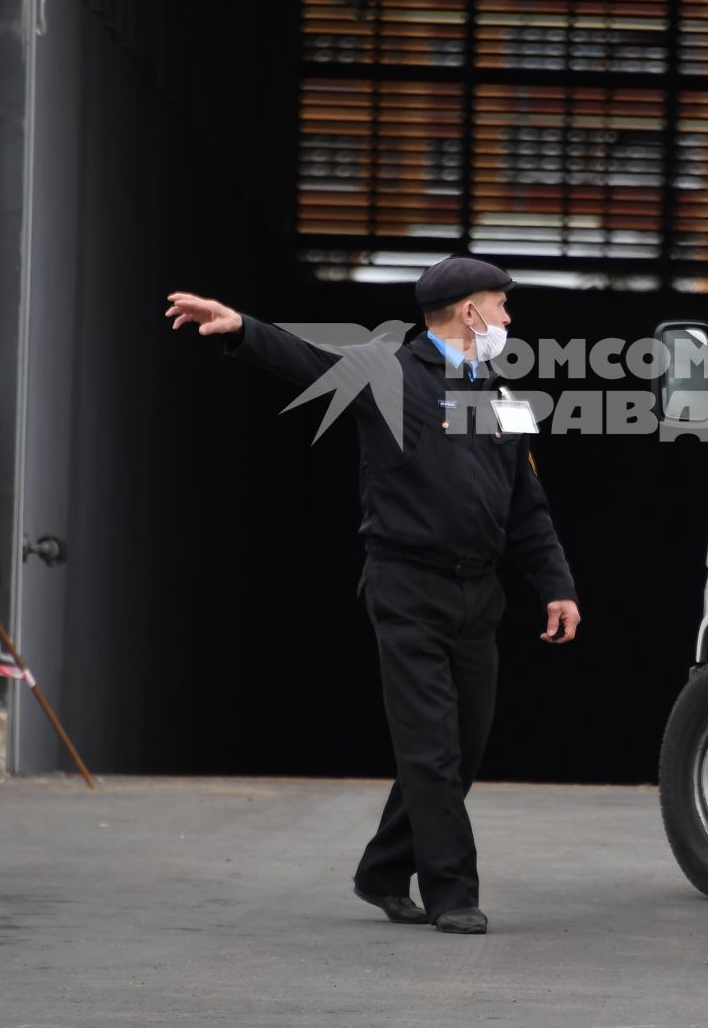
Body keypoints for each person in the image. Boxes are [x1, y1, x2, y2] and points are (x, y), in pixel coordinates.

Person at [165, 256, 581, 936]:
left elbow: (527, 509)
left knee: (463, 749)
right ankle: (453, 893)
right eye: (501, 306)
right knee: (431, 753)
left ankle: (383, 869)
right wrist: (242, 327)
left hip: (479, 595)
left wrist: (557, 587)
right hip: (407, 587)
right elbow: (309, 362)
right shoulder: (391, 373)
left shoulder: (499, 394)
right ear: (469, 313)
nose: (509, 319)